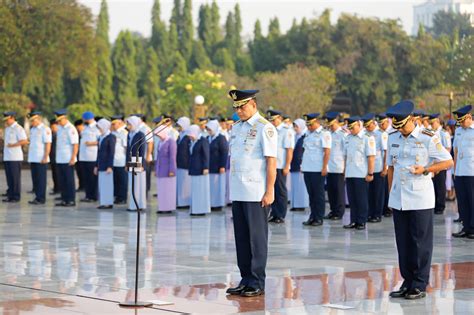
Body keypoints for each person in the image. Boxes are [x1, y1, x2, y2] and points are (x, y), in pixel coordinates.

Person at [386, 100, 453, 299]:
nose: (402, 131)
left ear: (413, 119)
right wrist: (391, 194)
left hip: (420, 197)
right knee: (403, 242)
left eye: (404, 126)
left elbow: (448, 161)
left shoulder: (428, 138)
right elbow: (390, 167)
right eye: (398, 126)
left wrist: (426, 169)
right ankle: (407, 281)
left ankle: (420, 283)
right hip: (399, 197)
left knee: (420, 242)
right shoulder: (392, 137)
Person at [226, 89, 277, 298]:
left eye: (243, 106)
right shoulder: (236, 128)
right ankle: (245, 278)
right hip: (239, 189)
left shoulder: (265, 128)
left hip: (256, 191)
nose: (239, 110)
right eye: (236, 107)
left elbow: (271, 161)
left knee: (257, 239)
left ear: (253, 105)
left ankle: (257, 281)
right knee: (242, 238)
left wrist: (270, 190)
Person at [343, 116, 376, 230]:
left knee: (361, 199)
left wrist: (370, 173)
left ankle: (361, 221)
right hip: (350, 172)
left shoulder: (367, 138)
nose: (351, 130)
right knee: (352, 199)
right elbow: (345, 156)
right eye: (349, 128)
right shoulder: (348, 138)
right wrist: (344, 172)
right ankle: (353, 220)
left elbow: (371, 157)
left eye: (353, 127)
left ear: (358, 124)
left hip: (361, 173)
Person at [300, 113, 331, 226]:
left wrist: (324, 167)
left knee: (318, 194)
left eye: (310, 124)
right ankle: (312, 216)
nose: (309, 127)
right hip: (308, 167)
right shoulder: (308, 134)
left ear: (316, 122)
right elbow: (305, 151)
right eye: (307, 125)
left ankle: (319, 217)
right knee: (311, 194)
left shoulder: (324, 134)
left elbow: (327, 152)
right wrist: (302, 165)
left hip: (318, 168)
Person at [267, 110, 294, 224]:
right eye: (271, 120)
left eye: (273, 120)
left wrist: (287, 165)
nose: (272, 122)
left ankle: (281, 214)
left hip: (280, 164)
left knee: (281, 190)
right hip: (272, 165)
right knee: (272, 190)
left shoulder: (286, 131)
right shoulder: (270, 130)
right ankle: (274, 213)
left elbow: (289, 150)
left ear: (279, 118)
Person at [451, 105, 474, 239]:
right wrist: (454, 170)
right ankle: (465, 227)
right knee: (463, 201)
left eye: (463, 120)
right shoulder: (459, 131)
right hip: (460, 171)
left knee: (472, 200)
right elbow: (456, 151)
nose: (461, 123)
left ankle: (473, 228)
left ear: (469, 117)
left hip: (472, 172)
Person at [362, 113, 388, 223]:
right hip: (368, 168)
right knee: (370, 193)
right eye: (366, 126)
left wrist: (385, 168)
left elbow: (386, 151)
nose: (368, 128)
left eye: (369, 126)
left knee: (378, 193)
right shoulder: (365, 134)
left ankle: (377, 214)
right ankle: (370, 213)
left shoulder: (381, 134)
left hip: (378, 167)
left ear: (373, 123)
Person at [324, 111, 346, 220]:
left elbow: (346, 152)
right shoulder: (328, 134)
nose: (331, 127)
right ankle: (333, 211)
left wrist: (345, 168)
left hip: (339, 167)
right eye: (329, 126)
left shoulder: (343, 134)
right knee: (331, 191)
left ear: (336, 122)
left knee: (339, 191)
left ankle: (339, 212)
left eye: (332, 125)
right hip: (329, 167)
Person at [54, 109, 79, 207]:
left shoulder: (70, 129)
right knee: (62, 180)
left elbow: (75, 144)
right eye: (58, 121)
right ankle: (64, 199)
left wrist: (73, 157)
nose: (59, 122)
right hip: (60, 158)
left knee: (69, 180)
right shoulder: (60, 128)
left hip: (68, 158)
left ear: (65, 118)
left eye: (60, 120)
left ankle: (71, 200)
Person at [428, 113, 452, 215]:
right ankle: (435, 205)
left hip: (441, 163)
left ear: (437, 121)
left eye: (432, 123)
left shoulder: (443, 133)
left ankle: (440, 206)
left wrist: (441, 163)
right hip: (433, 163)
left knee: (441, 185)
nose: (431, 125)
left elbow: (447, 148)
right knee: (434, 185)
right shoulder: (431, 132)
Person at [2, 111, 28, 203]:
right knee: (9, 178)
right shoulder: (7, 129)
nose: (6, 121)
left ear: (12, 118)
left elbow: (24, 141)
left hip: (15, 157)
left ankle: (16, 196)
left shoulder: (18, 128)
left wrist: (13, 145)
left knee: (15, 178)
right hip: (7, 157)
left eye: (7, 119)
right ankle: (10, 195)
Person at [27, 111, 52, 205]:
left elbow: (48, 144)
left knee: (41, 179)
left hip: (41, 158)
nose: (31, 123)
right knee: (35, 179)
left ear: (38, 119)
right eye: (31, 121)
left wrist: (45, 156)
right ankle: (37, 197)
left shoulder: (45, 129)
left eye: (33, 120)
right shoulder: (33, 129)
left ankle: (41, 198)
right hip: (33, 157)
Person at [154, 117, 177, 214]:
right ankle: (162, 207)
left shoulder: (171, 141)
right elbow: (158, 157)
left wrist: (172, 170)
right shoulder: (160, 142)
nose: (158, 136)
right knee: (162, 189)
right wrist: (156, 169)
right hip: (161, 169)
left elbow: (172, 157)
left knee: (168, 190)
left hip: (168, 169)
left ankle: (168, 208)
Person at [187, 124, 210, 216]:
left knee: (200, 191)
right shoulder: (194, 141)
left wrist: (206, 167)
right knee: (195, 191)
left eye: (191, 135)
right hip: (194, 169)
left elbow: (206, 155)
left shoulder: (203, 141)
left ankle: (200, 210)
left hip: (201, 170)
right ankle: (195, 209)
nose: (190, 137)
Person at [206, 119, 229, 211]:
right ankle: (211, 203)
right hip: (209, 166)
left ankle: (217, 204)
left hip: (218, 166)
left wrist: (222, 165)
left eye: (210, 129)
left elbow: (224, 152)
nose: (209, 131)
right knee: (211, 187)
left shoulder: (221, 138)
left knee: (217, 186)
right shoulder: (208, 138)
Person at [126, 116, 146, 211]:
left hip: (137, 160)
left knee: (138, 184)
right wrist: (127, 163)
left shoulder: (140, 134)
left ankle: (139, 205)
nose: (128, 126)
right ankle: (132, 205)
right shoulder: (129, 134)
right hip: (131, 160)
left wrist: (141, 164)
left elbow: (142, 150)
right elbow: (128, 150)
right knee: (132, 183)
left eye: (129, 124)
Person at [94, 119, 116, 209]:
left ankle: (108, 203)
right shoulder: (100, 137)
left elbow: (111, 153)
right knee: (102, 184)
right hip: (101, 164)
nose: (99, 129)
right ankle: (103, 202)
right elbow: (98, 152)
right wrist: (96, 165)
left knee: (107, 184)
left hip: (107, 165)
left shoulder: (111, 137)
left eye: (100, 127)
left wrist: (110, 166)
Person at [79, 112, 100, 202]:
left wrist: (91, 143)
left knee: (92, 178)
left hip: (92, 156)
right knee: (86, 178)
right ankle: (88, 195)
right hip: (84, 156)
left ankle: (93, 196)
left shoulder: (97, 128)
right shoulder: (85, 127)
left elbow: (101, 140)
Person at [289, 118, 309, 211]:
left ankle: (300, 205)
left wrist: (302, 164)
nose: (295, 128)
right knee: (294, 185)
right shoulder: (295, 136)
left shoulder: (305, 136)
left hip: (300, 164)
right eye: (294, 126)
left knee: (301, 186)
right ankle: (295, 204)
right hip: (293, 164)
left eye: (296, 126)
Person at [133, 114, 154, 196]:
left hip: (144, 156)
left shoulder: (146, 129)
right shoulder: (136, 128)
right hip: (136, 157)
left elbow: (150, 143)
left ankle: (144, 194)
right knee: (137, 177)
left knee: (144, 177)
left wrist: (148, 155)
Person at [111, 115, 128, 205]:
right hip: (114, 161)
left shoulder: (124, 133)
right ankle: (117, 197)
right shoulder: (112, 133)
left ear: (120, 123)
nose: (113, 126)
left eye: (115, 124)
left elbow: (126, 148)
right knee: (116, 181)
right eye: (112, 124)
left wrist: (127, 162)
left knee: (122, 181)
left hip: (122, 160)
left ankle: (122, 198)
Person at [176, 117, 192, 208]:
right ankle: (180, 202)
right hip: (179, 163)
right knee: (180, 184)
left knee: (185, 185)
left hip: (186, 164)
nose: (179, 127)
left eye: (180, 125)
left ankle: (185, 203)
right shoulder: (180, 135)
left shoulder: (188, 136)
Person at [49, 119, 61, 195]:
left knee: (57, 174)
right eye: (52, 127)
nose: (52, 129)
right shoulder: (52, 134)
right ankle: (56, 188)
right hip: (53, 157)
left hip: (58, 157)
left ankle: (59, 189)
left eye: (53, 127)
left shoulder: (58, 134)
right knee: (54, 174)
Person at [74, 119, 85, 192]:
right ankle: (81, 186)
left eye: (78, 127)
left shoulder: (85, 133)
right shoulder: (77, 134)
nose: (78, 129)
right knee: (79, 172)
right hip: (78, 156)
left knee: (83, 172)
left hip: (85, 156)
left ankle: (84, 186)